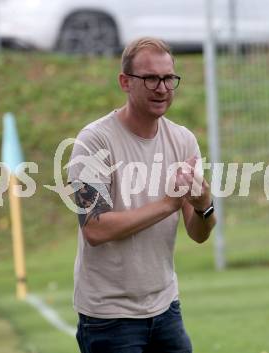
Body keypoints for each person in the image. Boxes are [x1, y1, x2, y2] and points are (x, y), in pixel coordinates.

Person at [67, 37, 216, 353]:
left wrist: (204, 205)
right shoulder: (93, 142)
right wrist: (168, 203)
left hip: (166, 308)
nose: (161, 88)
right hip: (108, 317)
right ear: (125, 82)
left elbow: (198, 233)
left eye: (168, 78)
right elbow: (95, 228)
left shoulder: (183, 141)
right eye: (150, 78)